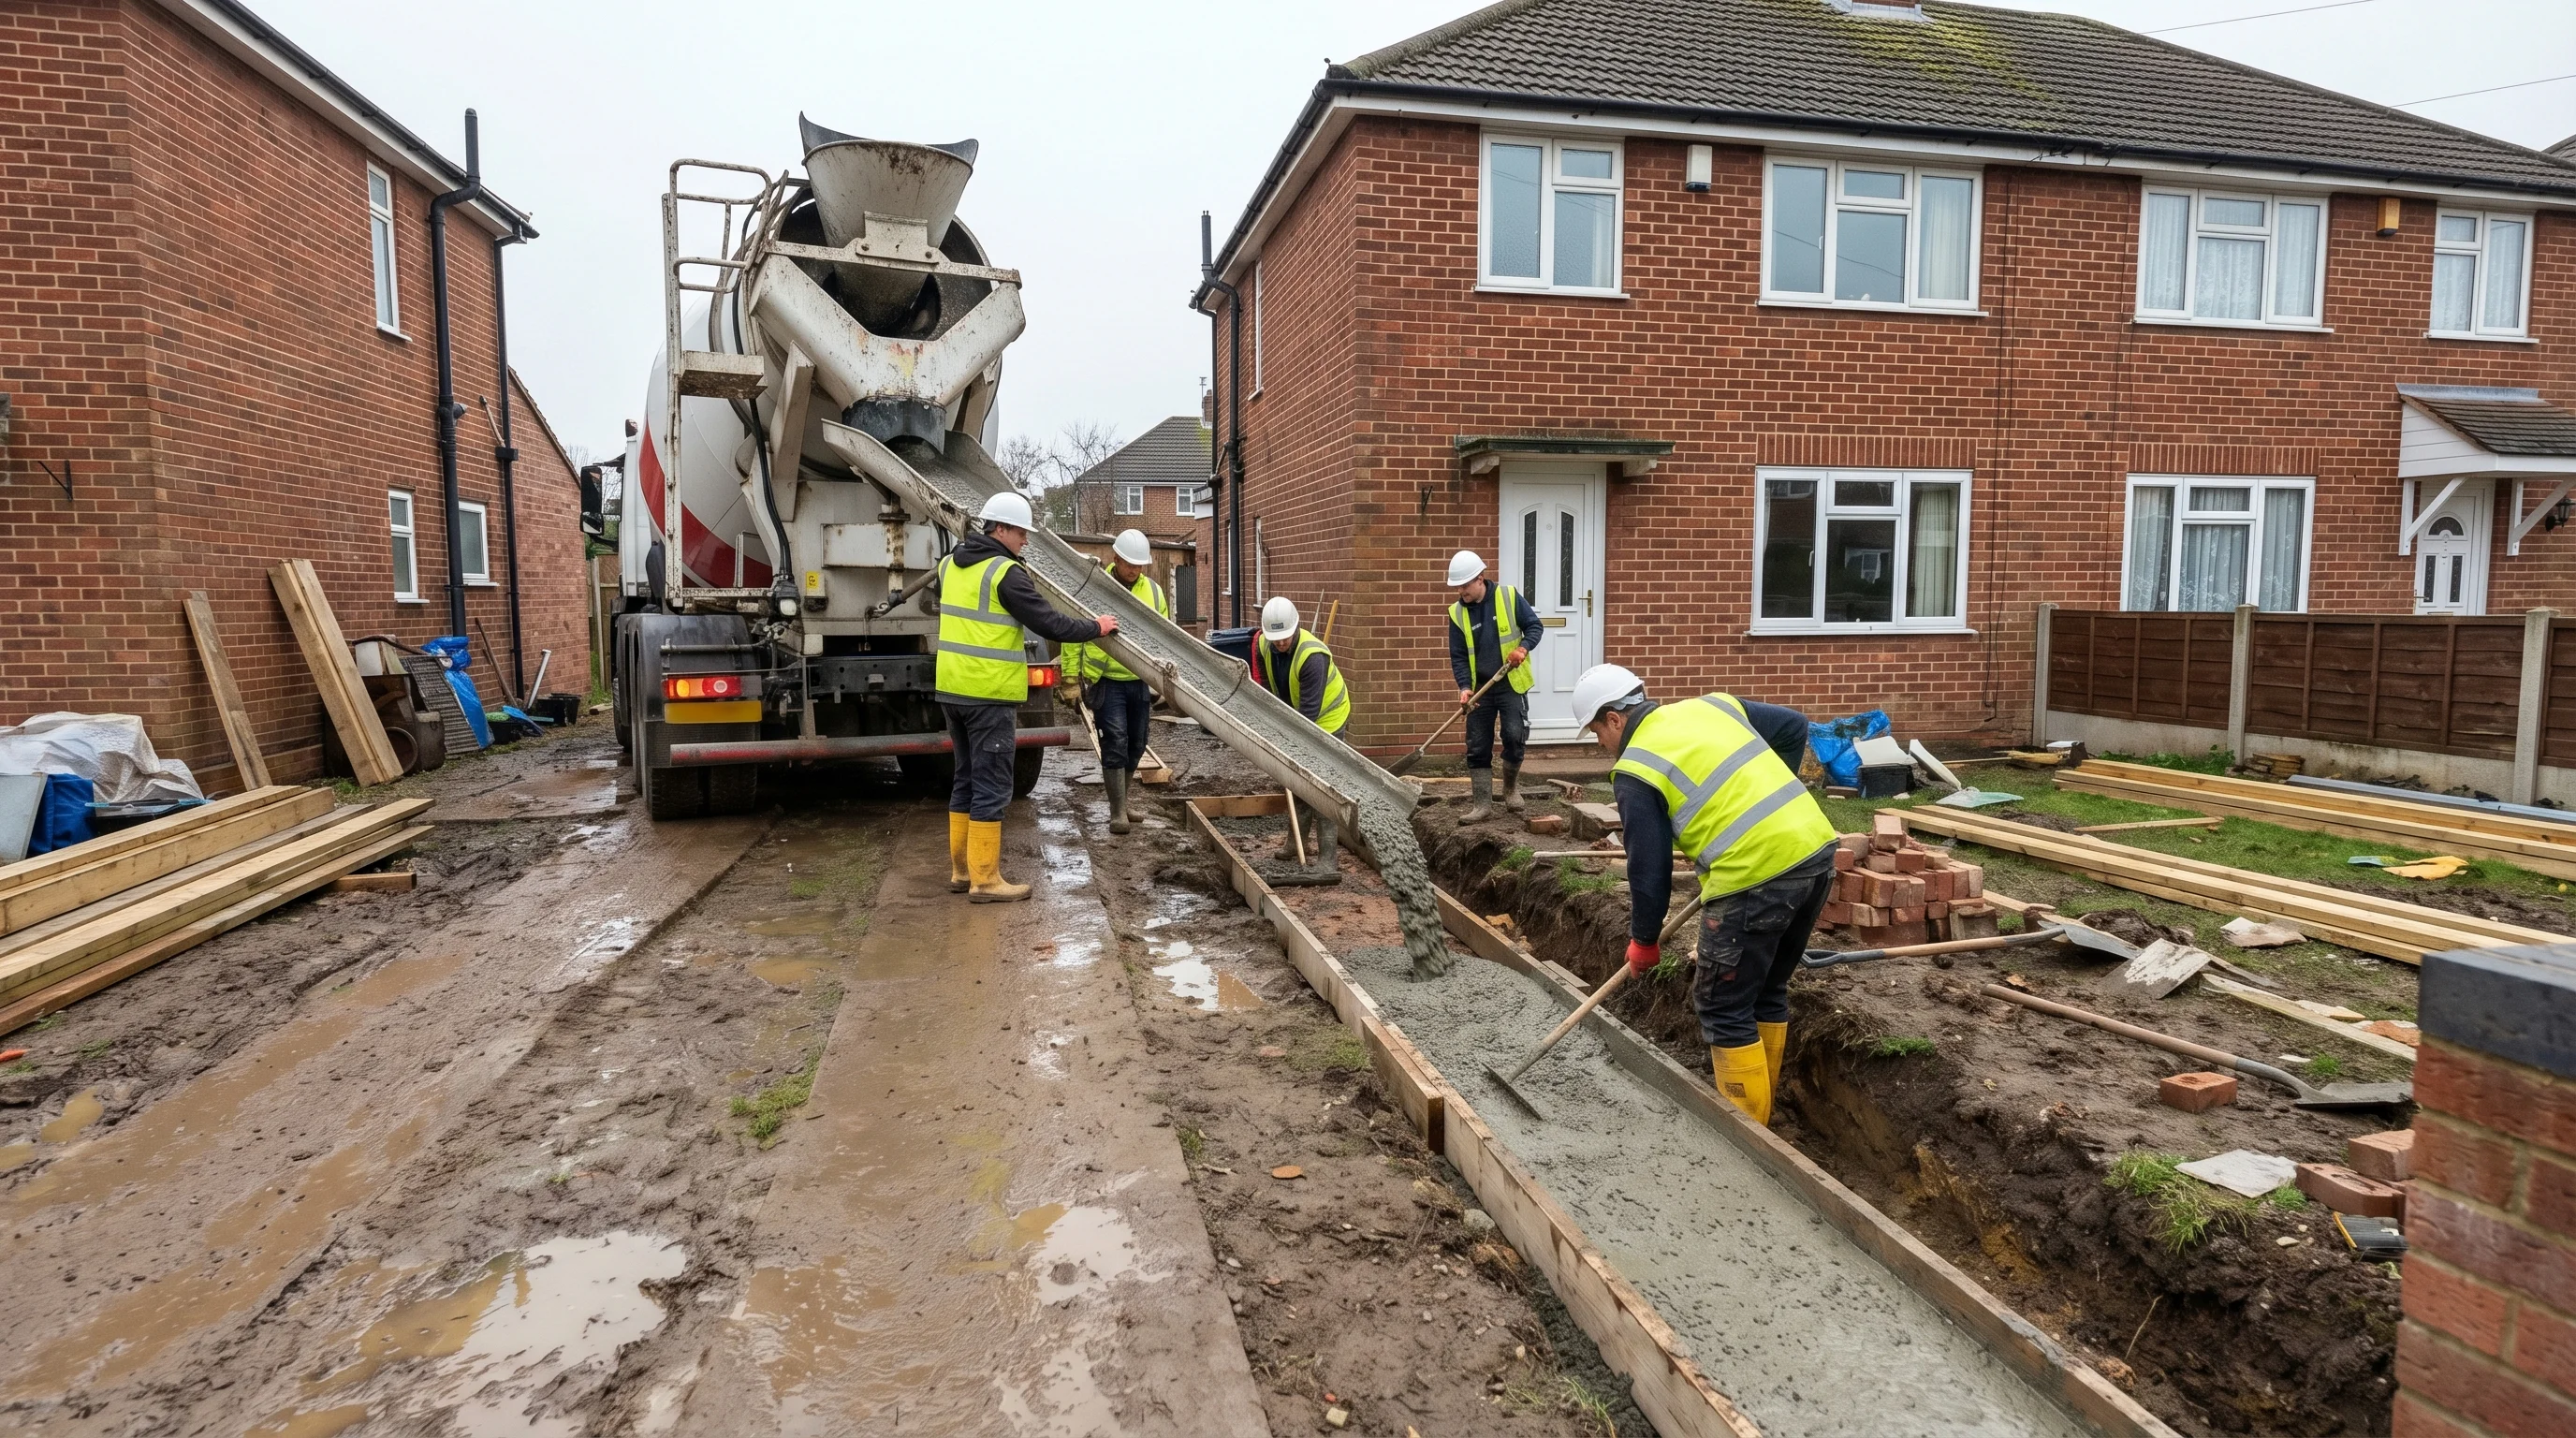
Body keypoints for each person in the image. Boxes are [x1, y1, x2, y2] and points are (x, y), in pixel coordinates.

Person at [1571, 664, 1837, 1125]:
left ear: (1615, 718)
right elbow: (1794, 725)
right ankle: (1765, 1117)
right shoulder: (1713, 706)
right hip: (1814, 849)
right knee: (1767, 990)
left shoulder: (1635, 770)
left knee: (1723, 1007)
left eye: (1596, 731)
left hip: (1754, 874)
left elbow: (1648, 871)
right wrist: (1777, 794)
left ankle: (1751, 1142)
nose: (1600, 743)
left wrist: (1644, 941)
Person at [937, 491, 1119, 902]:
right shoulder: (1005, 573)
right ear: (999, 529)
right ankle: (986, 881)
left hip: (952, 690)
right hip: (989, 695)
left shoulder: (949, 566)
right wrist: (1096, 627)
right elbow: (1050, 623)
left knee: (964, 778)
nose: (1025, 540)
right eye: (1020, 532)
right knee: (992, 784)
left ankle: (961, 872)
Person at [1063, 529, 1169, 836]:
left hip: (1139, 680)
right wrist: (1070, 678)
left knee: (1137, 742)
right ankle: (1117, 811)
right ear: (1116, 558)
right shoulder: (1095, 588)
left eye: (1140, 566)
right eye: (1129, 565)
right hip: (1105, 681)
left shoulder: (1155, 592)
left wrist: (1162, 679)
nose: (1135, 571)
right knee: (1116, 741)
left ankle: (1123, 802)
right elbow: (1073, 632)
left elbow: (1165, 636)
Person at [1251, 595, 1349, 883]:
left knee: (1321, 788)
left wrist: (1288, 739)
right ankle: (1296, 843)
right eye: (1276, 639)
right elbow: (1266, 685)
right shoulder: (1262, 644)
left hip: (1327, 720)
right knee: (1294, 782)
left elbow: (1308, 714)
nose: (1281, 644)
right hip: (1298, 716)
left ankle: (1328, 860)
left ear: (1296, 628)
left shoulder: (1312, 657)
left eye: (1286, 638)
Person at [1443, 550, 1543, 821]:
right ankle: (1482, 805)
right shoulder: (1456, 613)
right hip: (1479, 689)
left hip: (1509, 681)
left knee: (1513, 734)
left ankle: (1510, 789)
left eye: (1465, 585)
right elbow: (1459, 656)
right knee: (1477, 744)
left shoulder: (1508, 597)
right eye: (1457, 586)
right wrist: (1464, 687)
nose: (1460, 591)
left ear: (1480, 579)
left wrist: (1522, 649)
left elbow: (1535, 626)